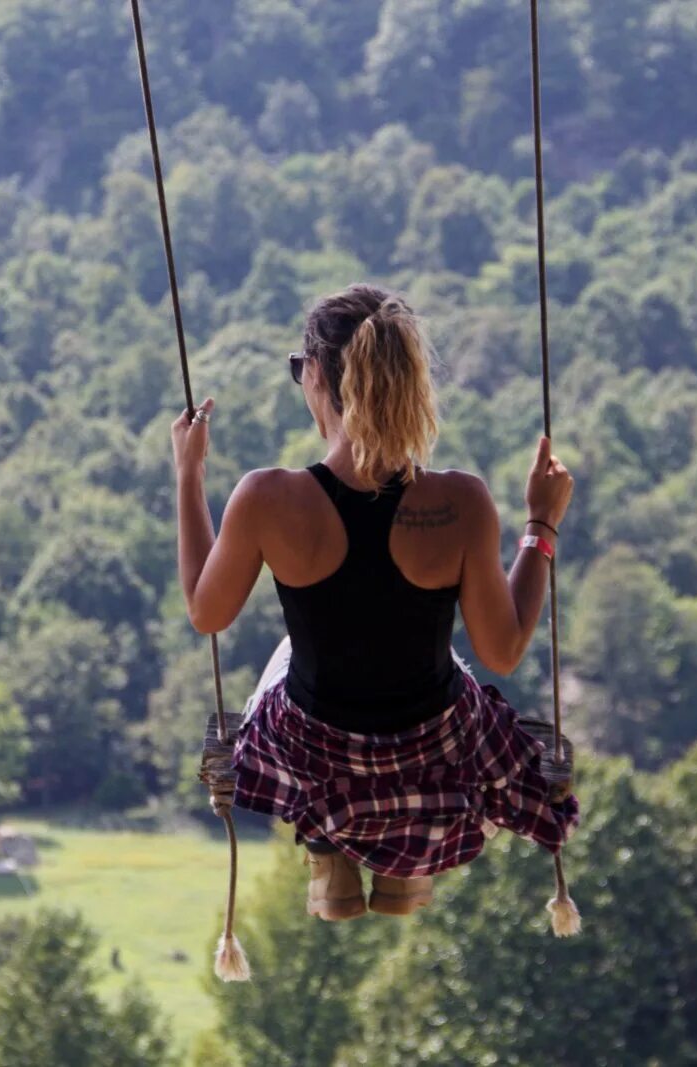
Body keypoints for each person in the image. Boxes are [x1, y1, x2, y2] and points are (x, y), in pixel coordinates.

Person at [170, 283, 578, 920]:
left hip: (314, 755)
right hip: (434, 755)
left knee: (286, 658)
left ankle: (327, 848)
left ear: (316, 379)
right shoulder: (461, 502)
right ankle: (408, 868)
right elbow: (502, 650)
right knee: (457, 671)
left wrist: (188, 476)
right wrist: (541, 527)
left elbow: (206, 611)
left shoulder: (267, 499)